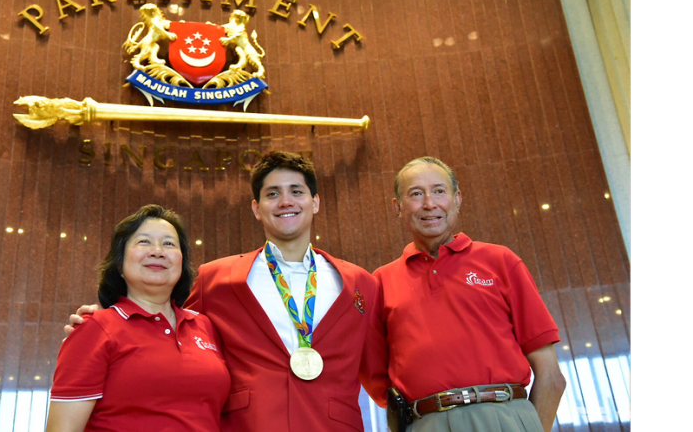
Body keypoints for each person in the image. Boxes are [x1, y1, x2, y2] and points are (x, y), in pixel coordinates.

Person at [66, 152, 385, 431]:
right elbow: (171, 327)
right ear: (257, 208)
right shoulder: (216, 279)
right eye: (272, 193)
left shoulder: (360, 283)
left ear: (315, 202)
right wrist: (107, 322)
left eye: (296, 191)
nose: (285, 201)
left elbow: (380, 373)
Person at [372, 157, 566, 432]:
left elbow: (551, 376)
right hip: (426, 424)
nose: (429, 203)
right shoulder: (380, 281)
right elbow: (380, 382)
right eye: (416, 194)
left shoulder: (501, 261)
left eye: (439, 191)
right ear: (397, 207)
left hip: (506, 417)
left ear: (458, 199)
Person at [47, 204, 230, 431]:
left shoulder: (205, 325)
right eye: (144, 242)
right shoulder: (94, 327)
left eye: (169, 244)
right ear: (119, 265)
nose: (157, 251)